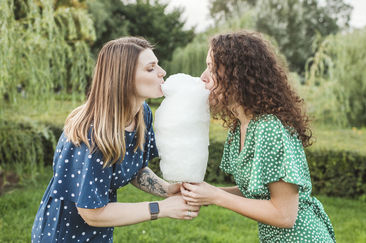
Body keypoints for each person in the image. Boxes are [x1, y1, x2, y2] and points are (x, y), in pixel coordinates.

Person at [31, 37, 199, 242]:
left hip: (99, 235)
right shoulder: (92, 133)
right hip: (63, 235)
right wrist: (160, 208)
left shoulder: (141, 114)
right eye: (150, 68)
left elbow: (133, 168)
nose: (162, 72)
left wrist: (166, 189)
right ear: (124, 78)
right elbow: (91, 212)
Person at [181, 31, 336, 242]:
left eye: (212, 67)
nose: (203, 77)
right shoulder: (242, 125)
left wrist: (216, 196)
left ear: (238, 75)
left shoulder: (269, 127)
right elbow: (258, 192)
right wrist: (206, 194)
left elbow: (284, 215)